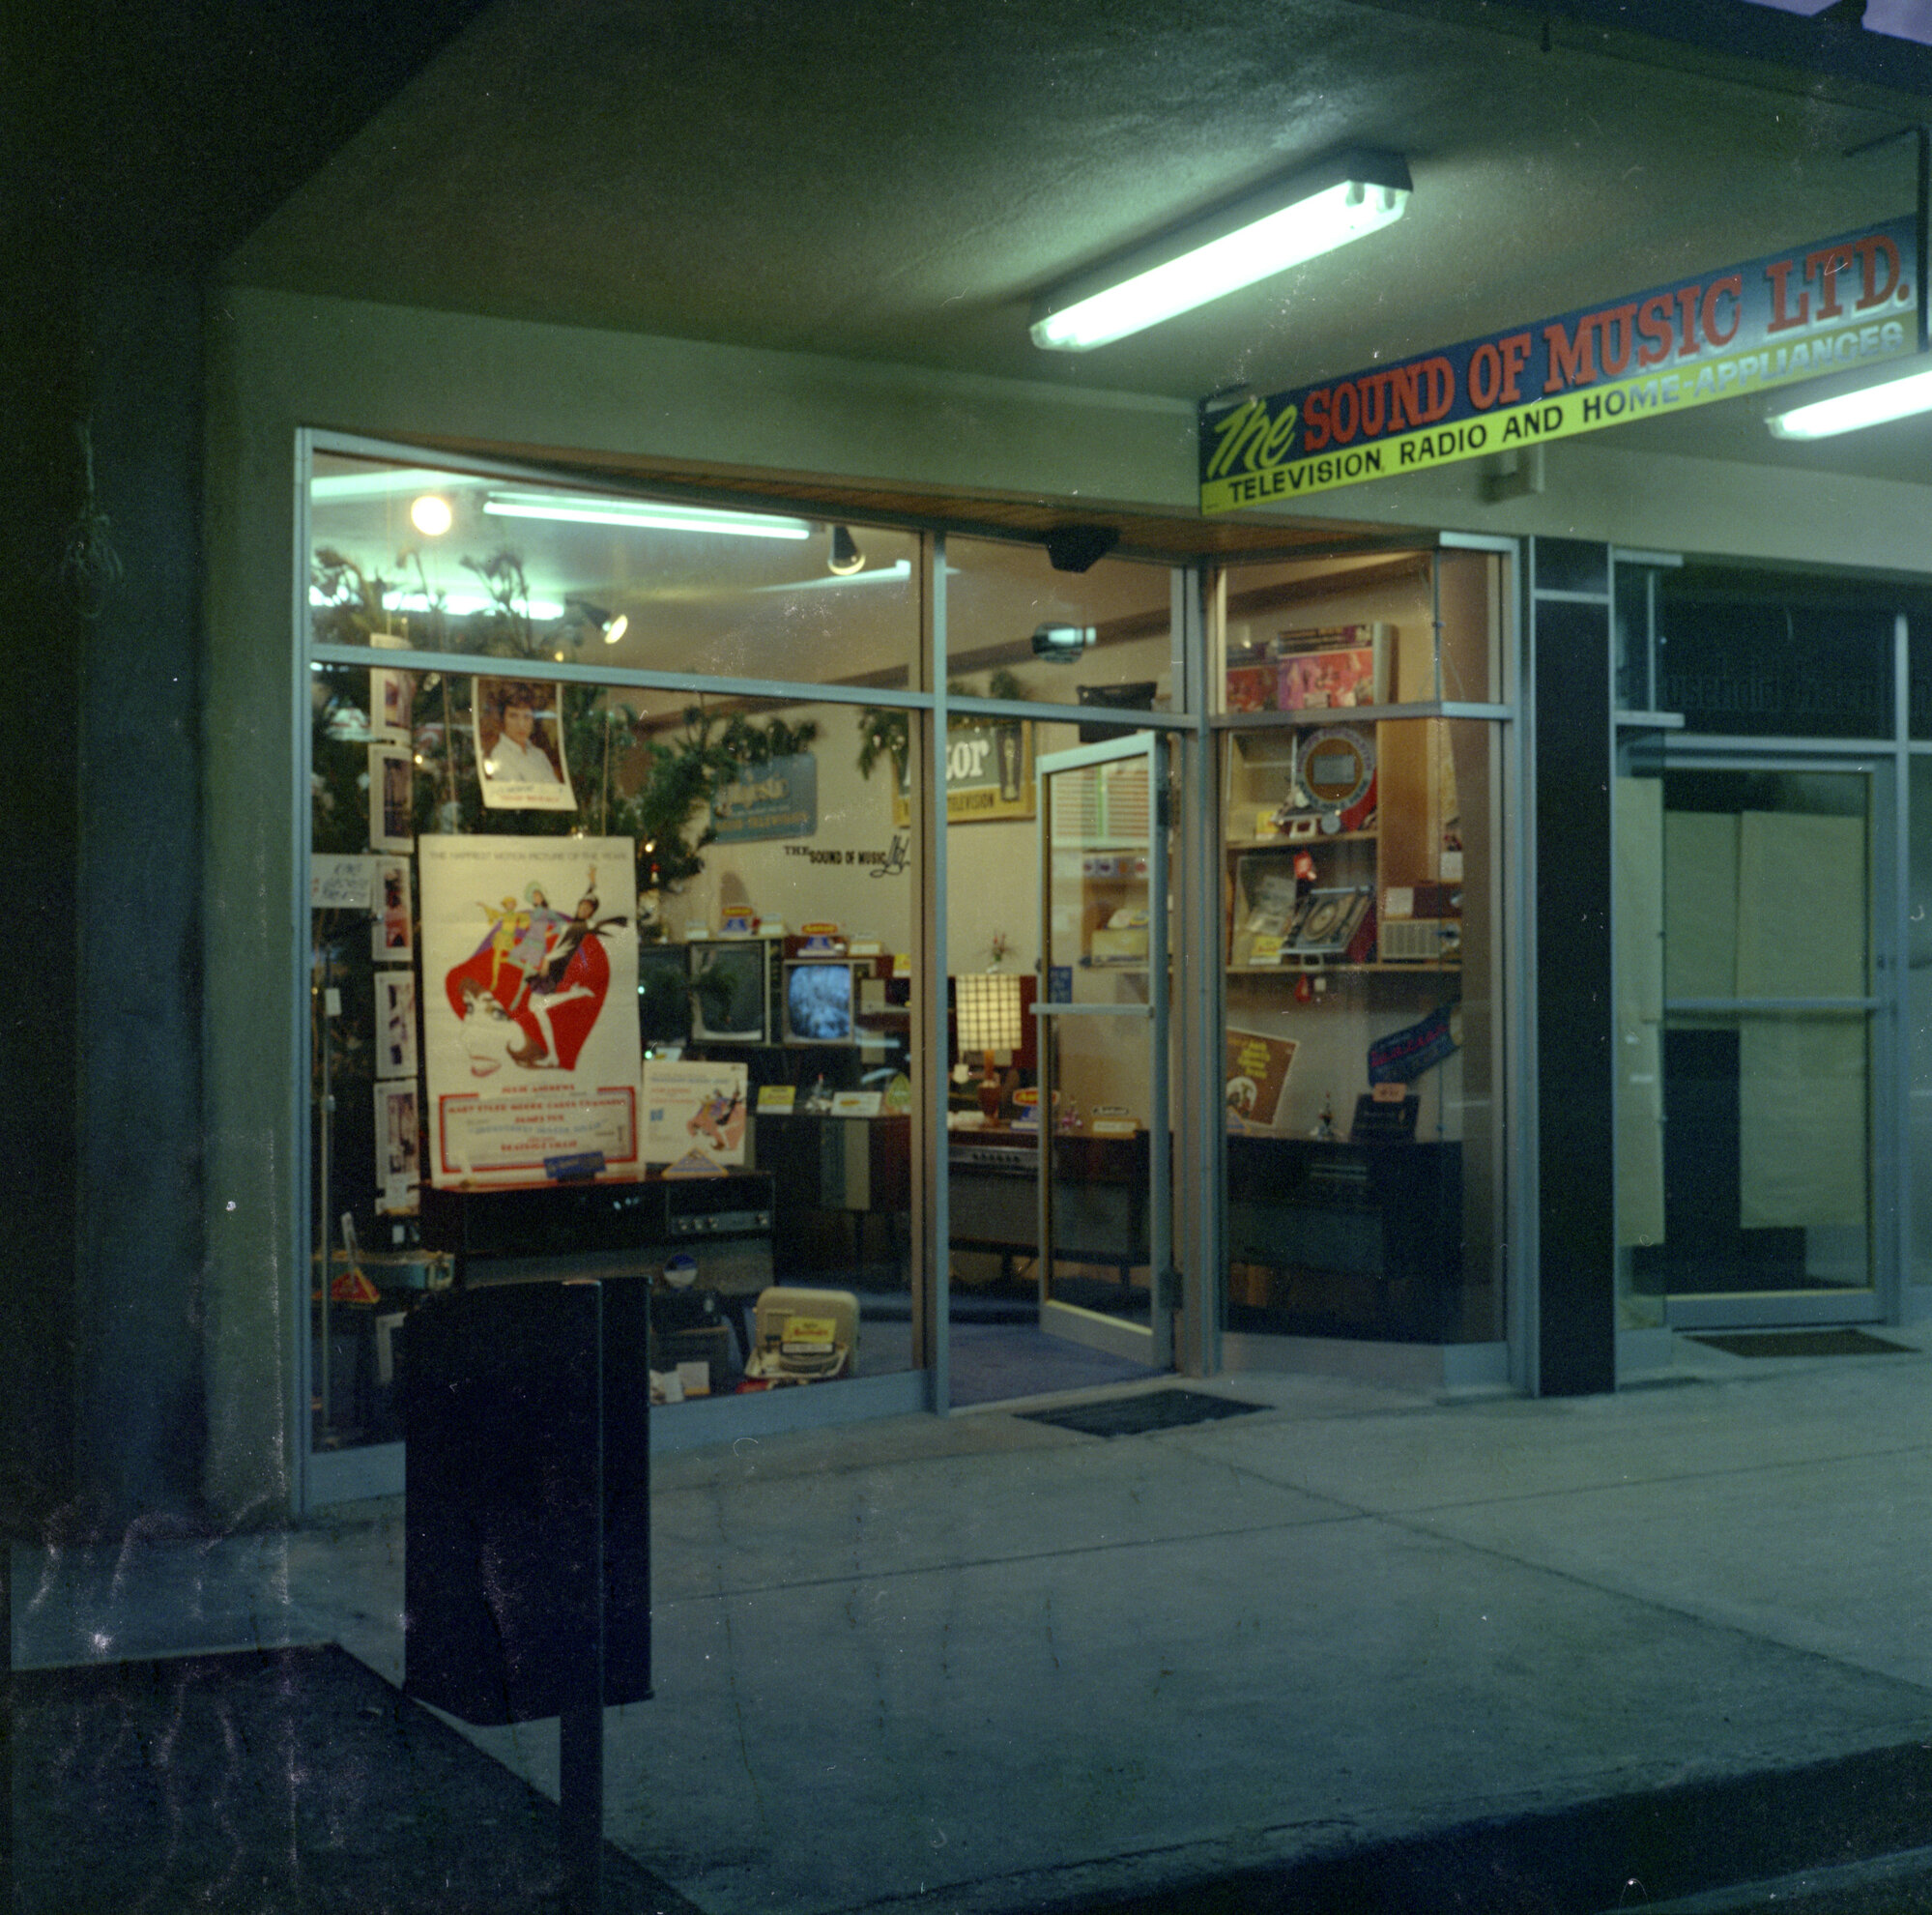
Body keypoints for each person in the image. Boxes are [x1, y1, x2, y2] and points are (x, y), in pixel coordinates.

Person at [484, 686, 560, 782]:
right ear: (503, 719)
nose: (521, 724)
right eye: (513, 716)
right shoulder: (500, 755)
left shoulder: (539, 755)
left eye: (527, 716)